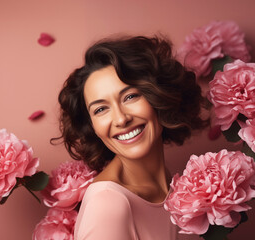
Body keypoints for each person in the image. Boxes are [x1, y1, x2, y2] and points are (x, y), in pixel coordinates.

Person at [53, 35, 208, 240]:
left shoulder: (172, 186)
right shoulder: (108, 204)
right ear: (92, 126)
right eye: (101, 109)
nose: (121, 119)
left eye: (130, 96)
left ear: (158, 96)